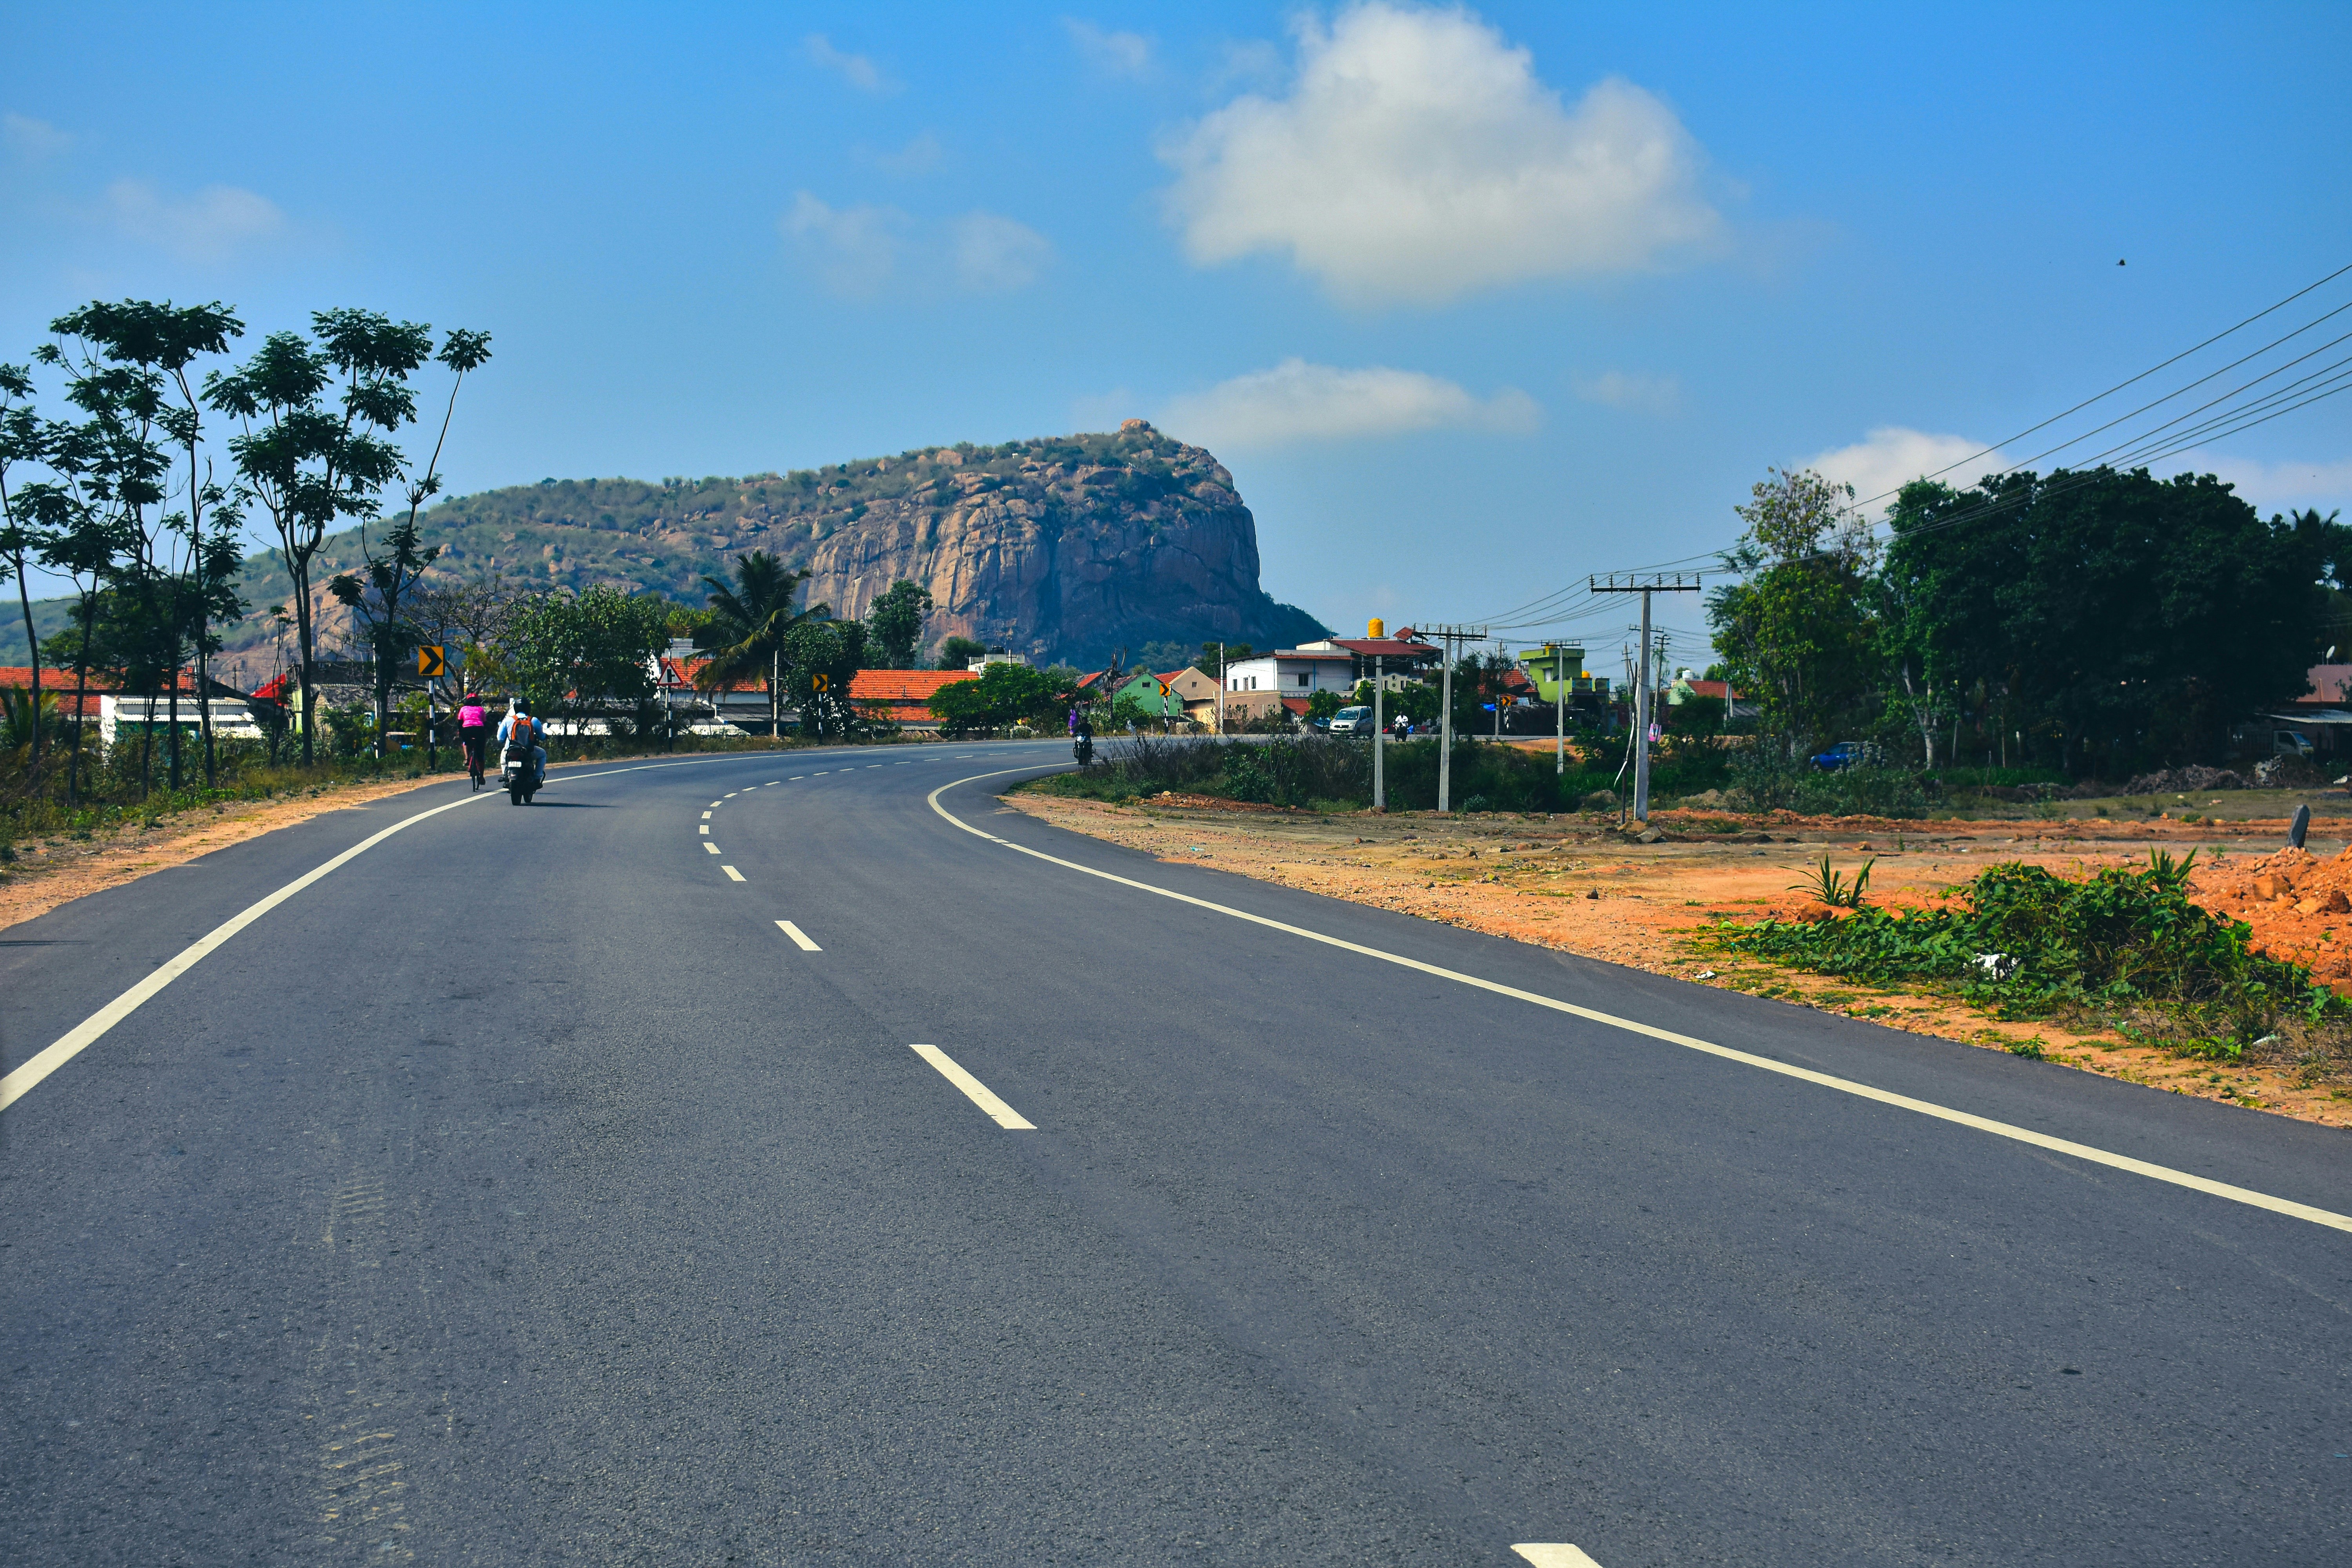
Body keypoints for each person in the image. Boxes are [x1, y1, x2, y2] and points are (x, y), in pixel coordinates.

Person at [497, 701, 546, 789]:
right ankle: (537, 778)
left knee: (503, 757)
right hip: (528, 751)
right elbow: (542, 737)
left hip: (511, 750)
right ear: (528, 708)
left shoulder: (508, 720)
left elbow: (500, 739)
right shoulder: (534, 720)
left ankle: (506, 776)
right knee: (543, 754)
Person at [457, 691, 490, 788]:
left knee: (465, 742)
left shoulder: (463, 709)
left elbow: (460, 723)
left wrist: (460, 732)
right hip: (479, 730)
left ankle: (467, 758)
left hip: (467, 730)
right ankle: (482, 777)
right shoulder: (481, 709)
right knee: (481, 755)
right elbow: (485, 724)